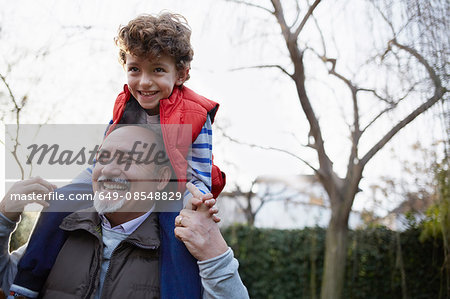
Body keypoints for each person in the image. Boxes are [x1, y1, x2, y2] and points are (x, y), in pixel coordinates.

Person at [11, 13, 226, 299]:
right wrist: (76, 188)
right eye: (135, 69)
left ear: (181, 74)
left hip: (176, 185)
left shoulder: (195, 114)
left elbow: (199, 170)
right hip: (117, 170)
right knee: (61, 200)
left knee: (179, 236)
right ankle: (25, 285)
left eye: (158, 70)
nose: (144, 82)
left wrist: (196, 202)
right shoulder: (126, 105)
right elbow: (104, 155)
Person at [0, 126, 248, 299]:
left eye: (130, 159)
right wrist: (3, 218)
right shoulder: (62, 228)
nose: (110, 170)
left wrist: (215, 253)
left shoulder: (182, 249)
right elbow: (8, 282)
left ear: (161, 179)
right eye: (103, 158)